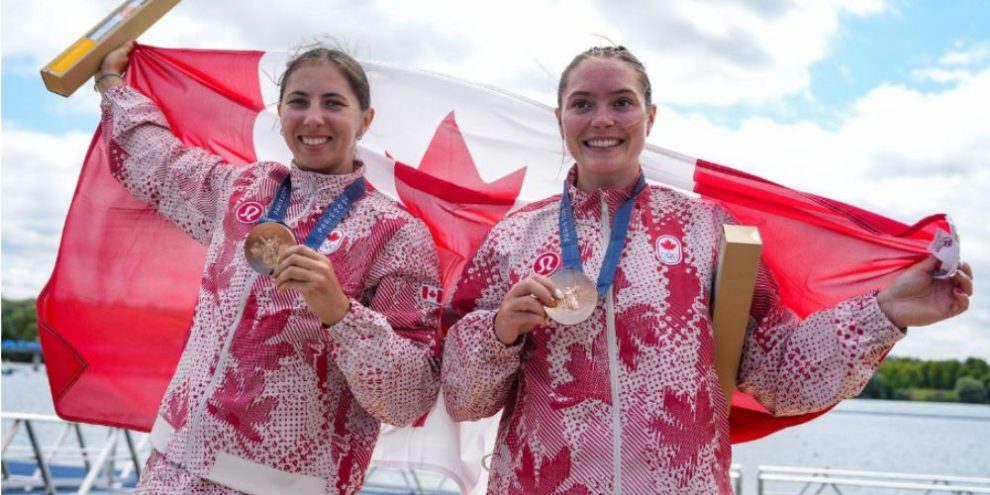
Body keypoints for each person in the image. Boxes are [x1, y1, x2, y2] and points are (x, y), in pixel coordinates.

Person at [441, 46, 974, 494]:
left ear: (650, 118)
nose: (602, 119)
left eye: (621, 102)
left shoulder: (709, 231)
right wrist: (497, 332)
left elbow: (780, 374)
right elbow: (464, 399)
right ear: (560, 120)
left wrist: (886, 313)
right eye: (583, 103)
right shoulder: (514, 238)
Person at [96, 41, 442, 494]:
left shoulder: (397, 236)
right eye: (298, 102)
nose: (313, 118)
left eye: (333, 103)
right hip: (169, 473)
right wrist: (110, 84)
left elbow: (408, 398)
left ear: (366, 120)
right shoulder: (244, 190)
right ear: (280, 114)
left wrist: (340, 313)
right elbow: (156, 162)